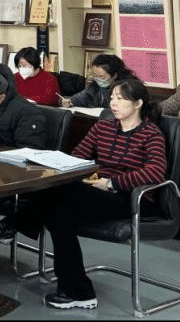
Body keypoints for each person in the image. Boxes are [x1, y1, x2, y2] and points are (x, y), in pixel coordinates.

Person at [10, 79, 167, 310]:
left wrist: (112, 183)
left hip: (129, 198)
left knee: (58, 198)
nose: (113, 103)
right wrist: (76, 171)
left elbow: (155, 172)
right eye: (112, 98)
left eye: (120, 98)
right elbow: (77, 156)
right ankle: (78, 291)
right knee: (58, 213)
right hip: (95, 191)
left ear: (138, 103)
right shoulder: (103, 127)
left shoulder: (151, 134)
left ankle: (13, 224)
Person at [61, 54, 136, 109]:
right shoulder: (93, 87)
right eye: (94, 75)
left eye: (101, 76)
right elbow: (77, 99)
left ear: (114, 75)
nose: (97, 79)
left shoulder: (128, 89)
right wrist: (67, 101)